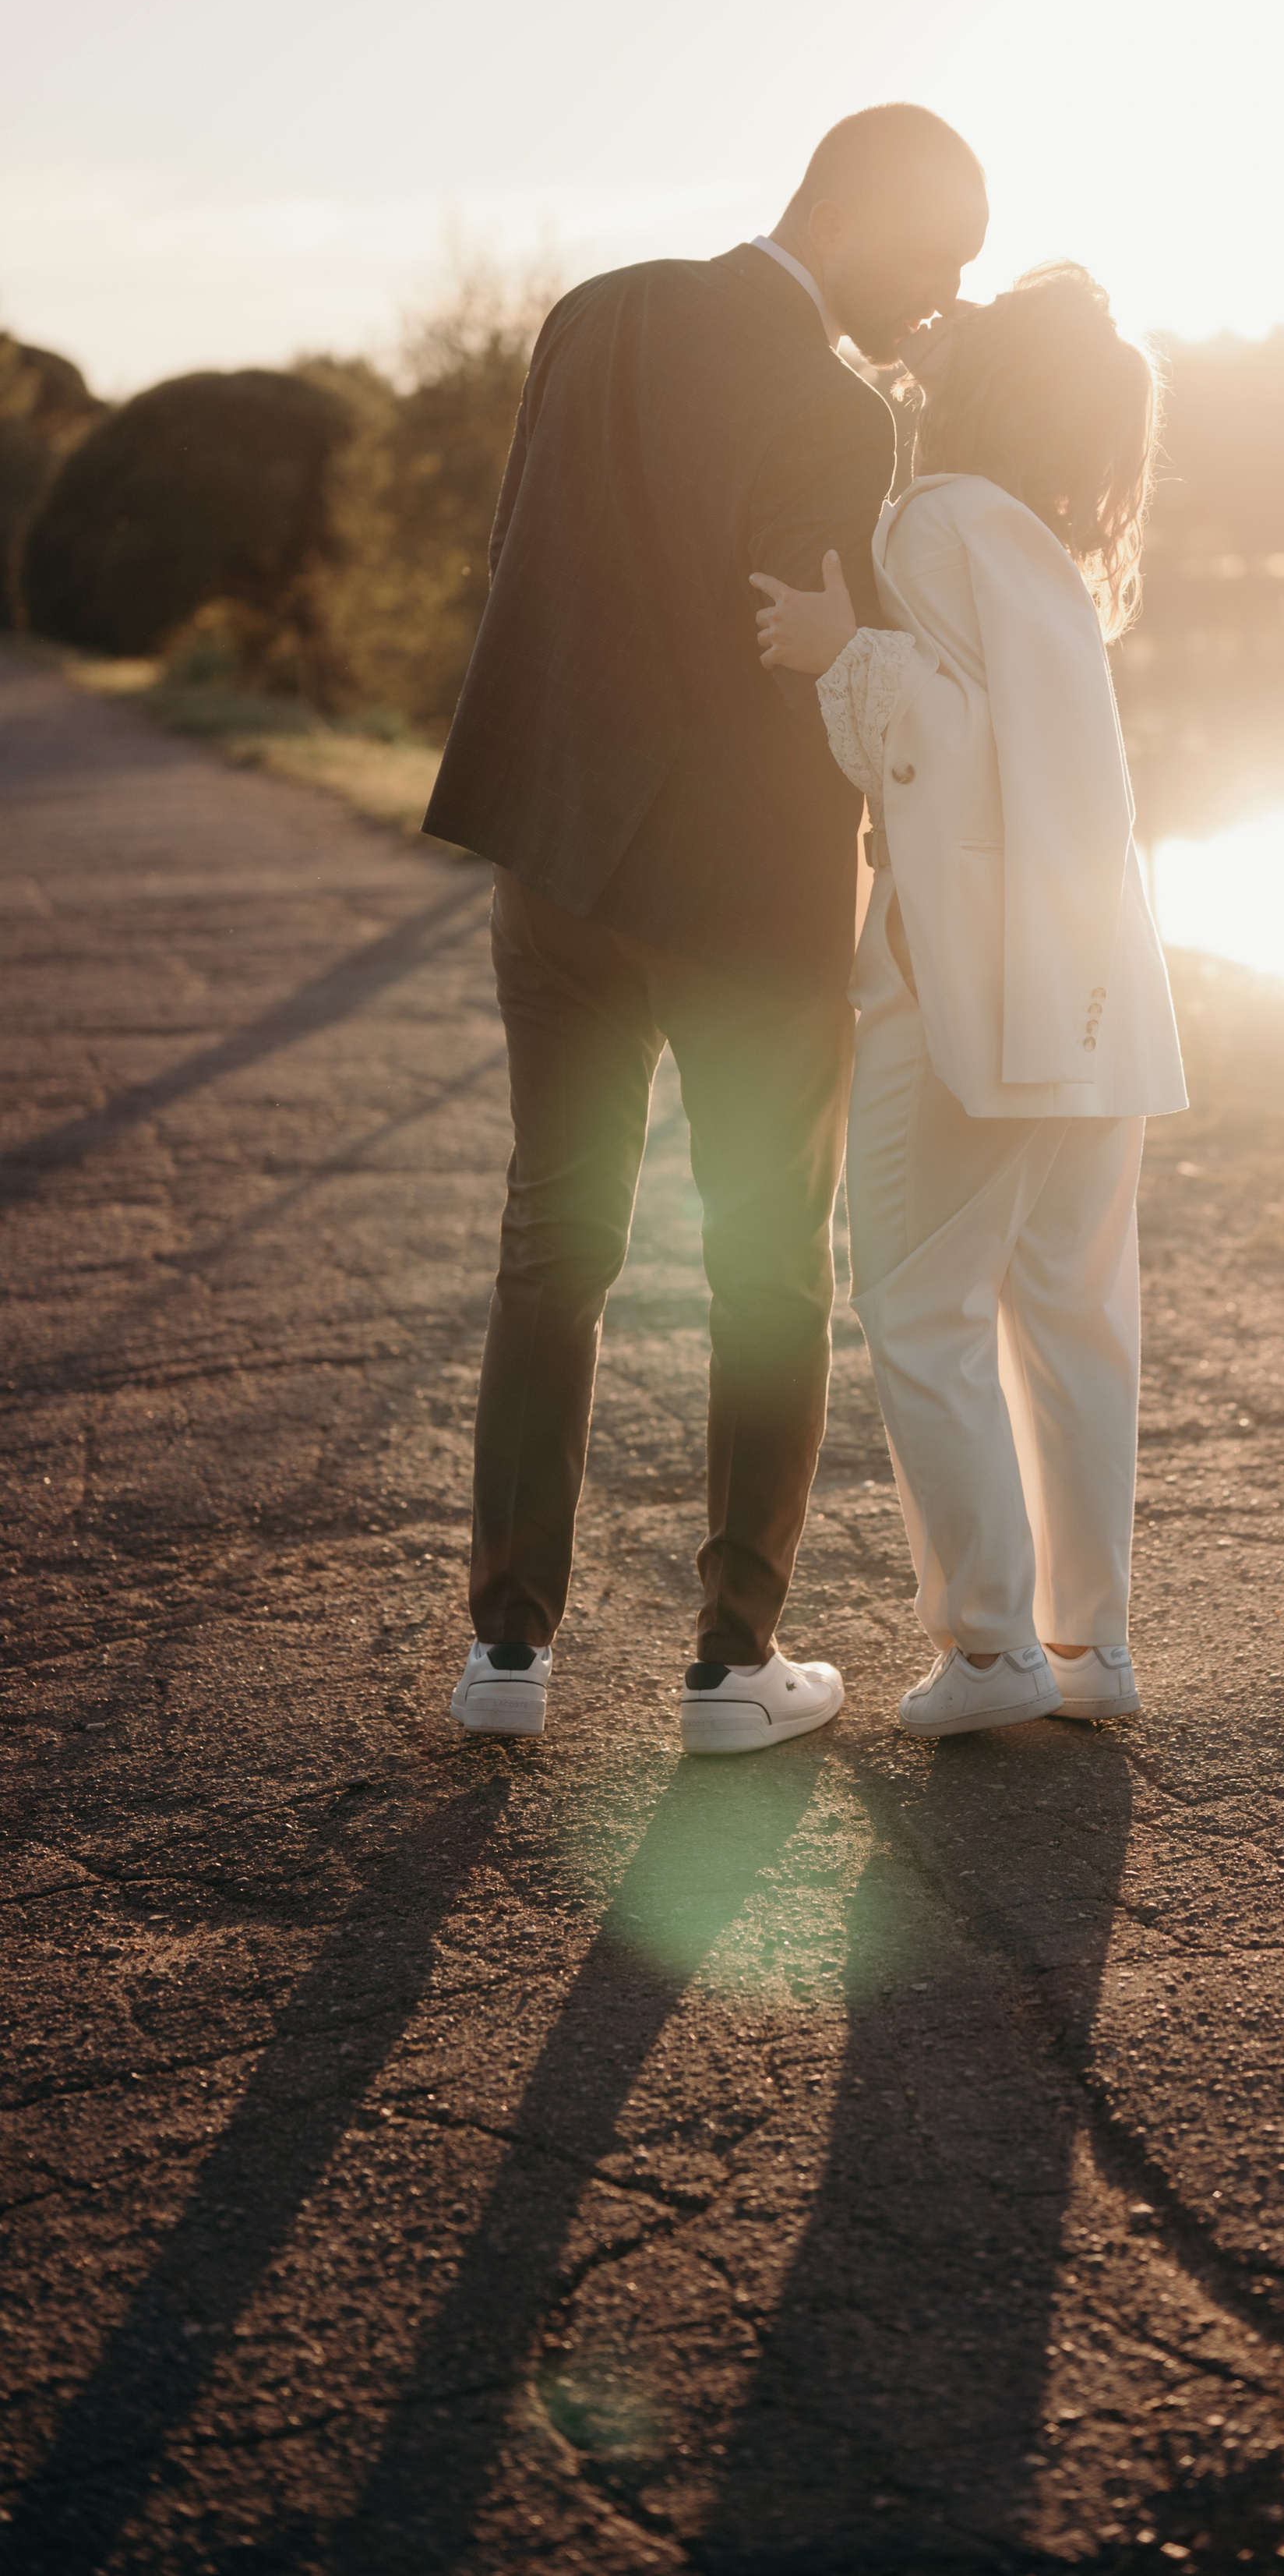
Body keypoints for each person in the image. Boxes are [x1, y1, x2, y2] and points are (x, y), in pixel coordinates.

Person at [428, 104, 989, 1750]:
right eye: (939, 257)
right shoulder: (829, 405)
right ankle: (735, 1663)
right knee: (764, 1267)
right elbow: (794, 655)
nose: (944, 298)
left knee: (555, 1236)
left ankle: (506, 1658)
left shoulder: (588, 315)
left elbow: (517, 559)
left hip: (554, 866)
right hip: (740, 902)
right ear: (863, 217)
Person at [751, 263, 1187, 1738]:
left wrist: (840, 653)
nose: (930, 339)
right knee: (1076, 1314)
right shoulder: (1042, 544)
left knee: (920, 1306)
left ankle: (991, 1649)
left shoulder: (937, 521)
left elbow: (954, 747)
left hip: (972, 984)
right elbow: (1055, 760)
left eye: (962, 332)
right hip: (1091, 983)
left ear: (990, 379)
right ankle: (1090, 1648)